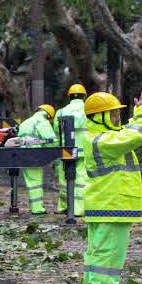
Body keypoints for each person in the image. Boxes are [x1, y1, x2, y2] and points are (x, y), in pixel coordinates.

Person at [80, 91, 142, 284]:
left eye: (118, 113)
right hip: (112, 206)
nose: (117, 118)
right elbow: (134, 136)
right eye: (113, 114)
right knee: (109, 254)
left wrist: (136, 115)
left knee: (98, 253)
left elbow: (126, 132)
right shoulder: (102, 140)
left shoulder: (100, 137)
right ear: (99, 117)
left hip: (106, 205)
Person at [54, 84, 90, 216]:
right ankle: (79, 209)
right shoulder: (89, 110)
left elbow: (57, 132)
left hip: (66, 149)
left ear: (69, 96)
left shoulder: (61, 112)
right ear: (84, 96)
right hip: (85, 149)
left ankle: (64, 206)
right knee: (81, 179)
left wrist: (57, 149)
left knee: (64, 179)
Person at [16, 104, 58, 215]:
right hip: (34, 154)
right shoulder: (42, 122)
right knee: (36, 182)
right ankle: (37, 209)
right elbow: (52, 141)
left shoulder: (26, 122)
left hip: (23, 153)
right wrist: (54, 158)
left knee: (31, 182)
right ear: (49, 116)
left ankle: (36, 207)